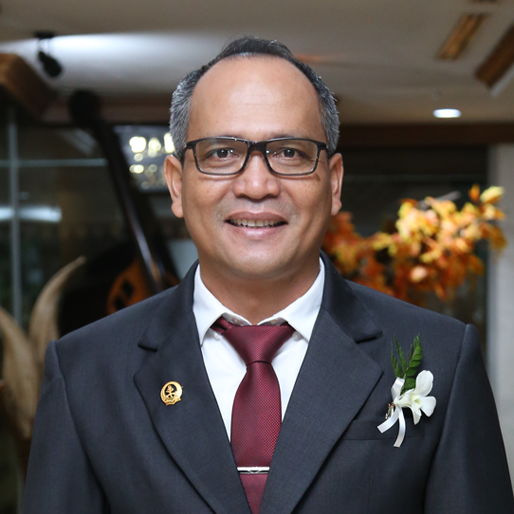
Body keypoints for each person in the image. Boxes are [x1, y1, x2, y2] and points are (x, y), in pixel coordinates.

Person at [23, 36, 514, 514]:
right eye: (221, 153)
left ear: (334, 183)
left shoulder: (442, 359)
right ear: (176, 185)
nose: (256, 185)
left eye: (289, 153)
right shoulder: (86, 372)